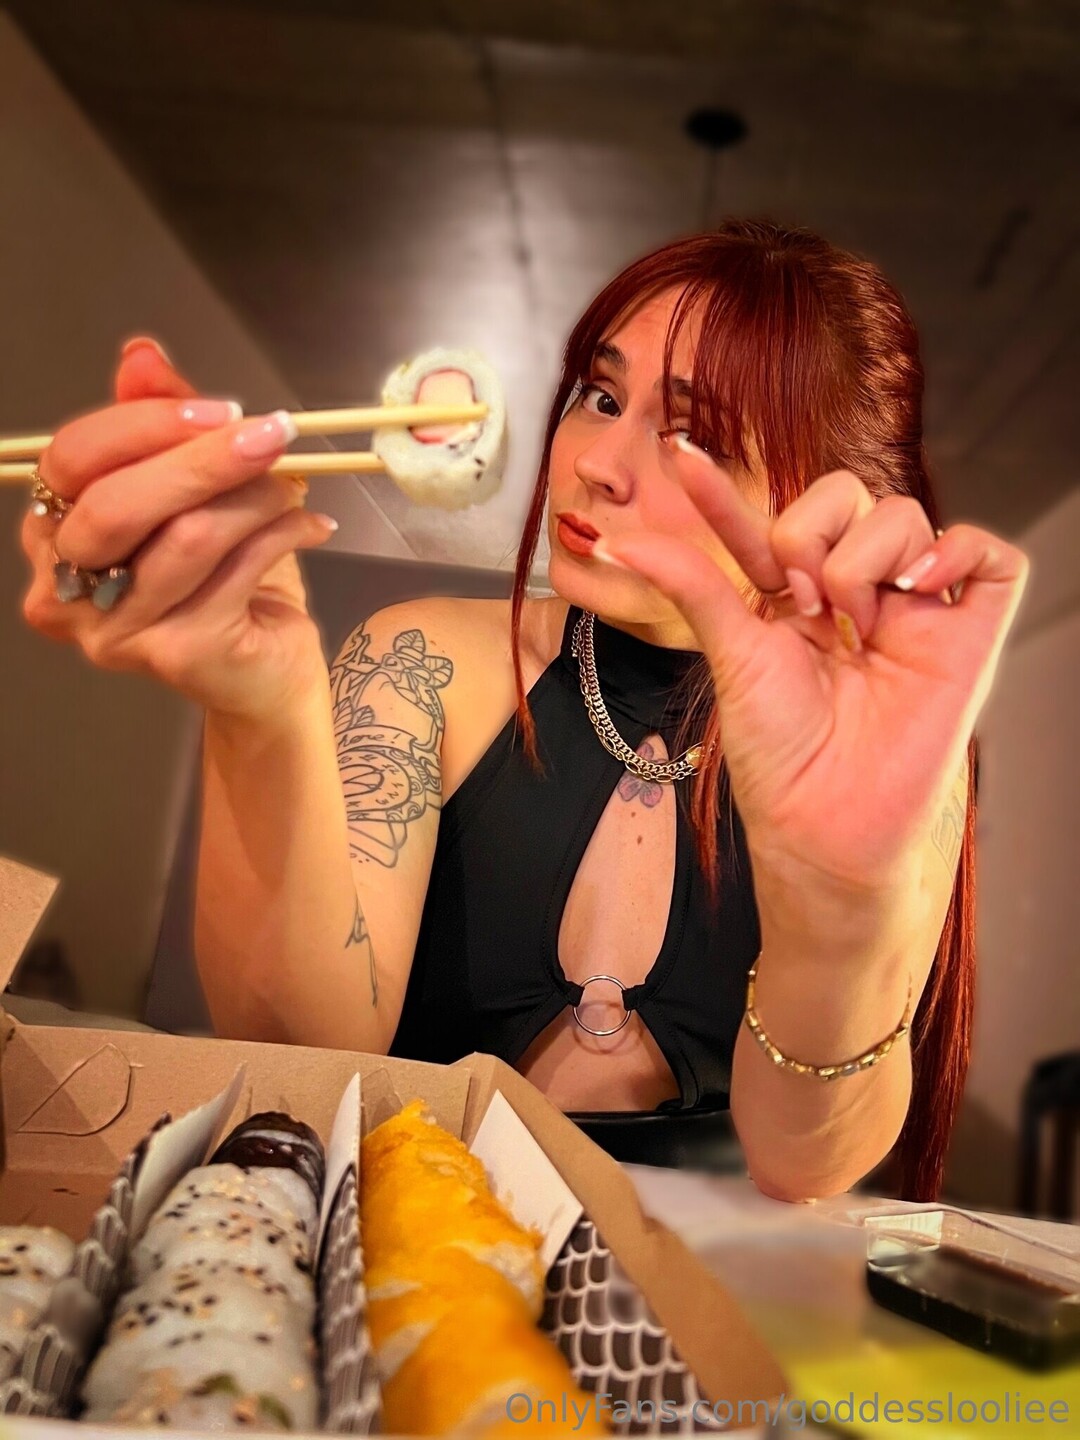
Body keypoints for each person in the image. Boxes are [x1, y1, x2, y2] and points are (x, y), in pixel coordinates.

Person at [20, 220, 1028, 1204]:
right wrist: (259, 703)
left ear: (829, 504)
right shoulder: (424, 663)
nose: (596, 462)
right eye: (600, 395)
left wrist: (838, 929)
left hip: (703, 1292)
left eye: (696, 437)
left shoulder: (877, 749)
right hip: (409, 1242)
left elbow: (807, 1169)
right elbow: (303, 1051)